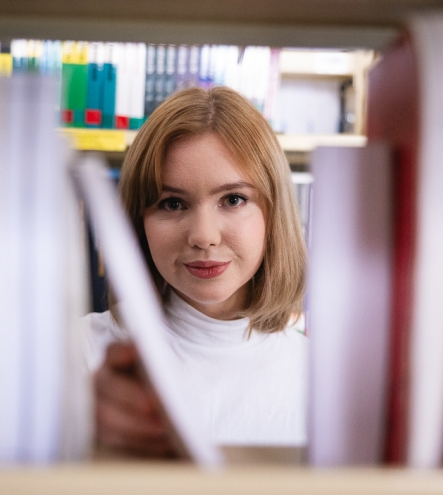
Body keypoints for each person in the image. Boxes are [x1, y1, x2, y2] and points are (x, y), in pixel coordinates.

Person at [82, 86, 307, 457]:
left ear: (273, 213)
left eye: (233, 200)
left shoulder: (322, 380)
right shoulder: (81, 355)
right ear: (138, 223)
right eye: (172, 203)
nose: (203, 236)